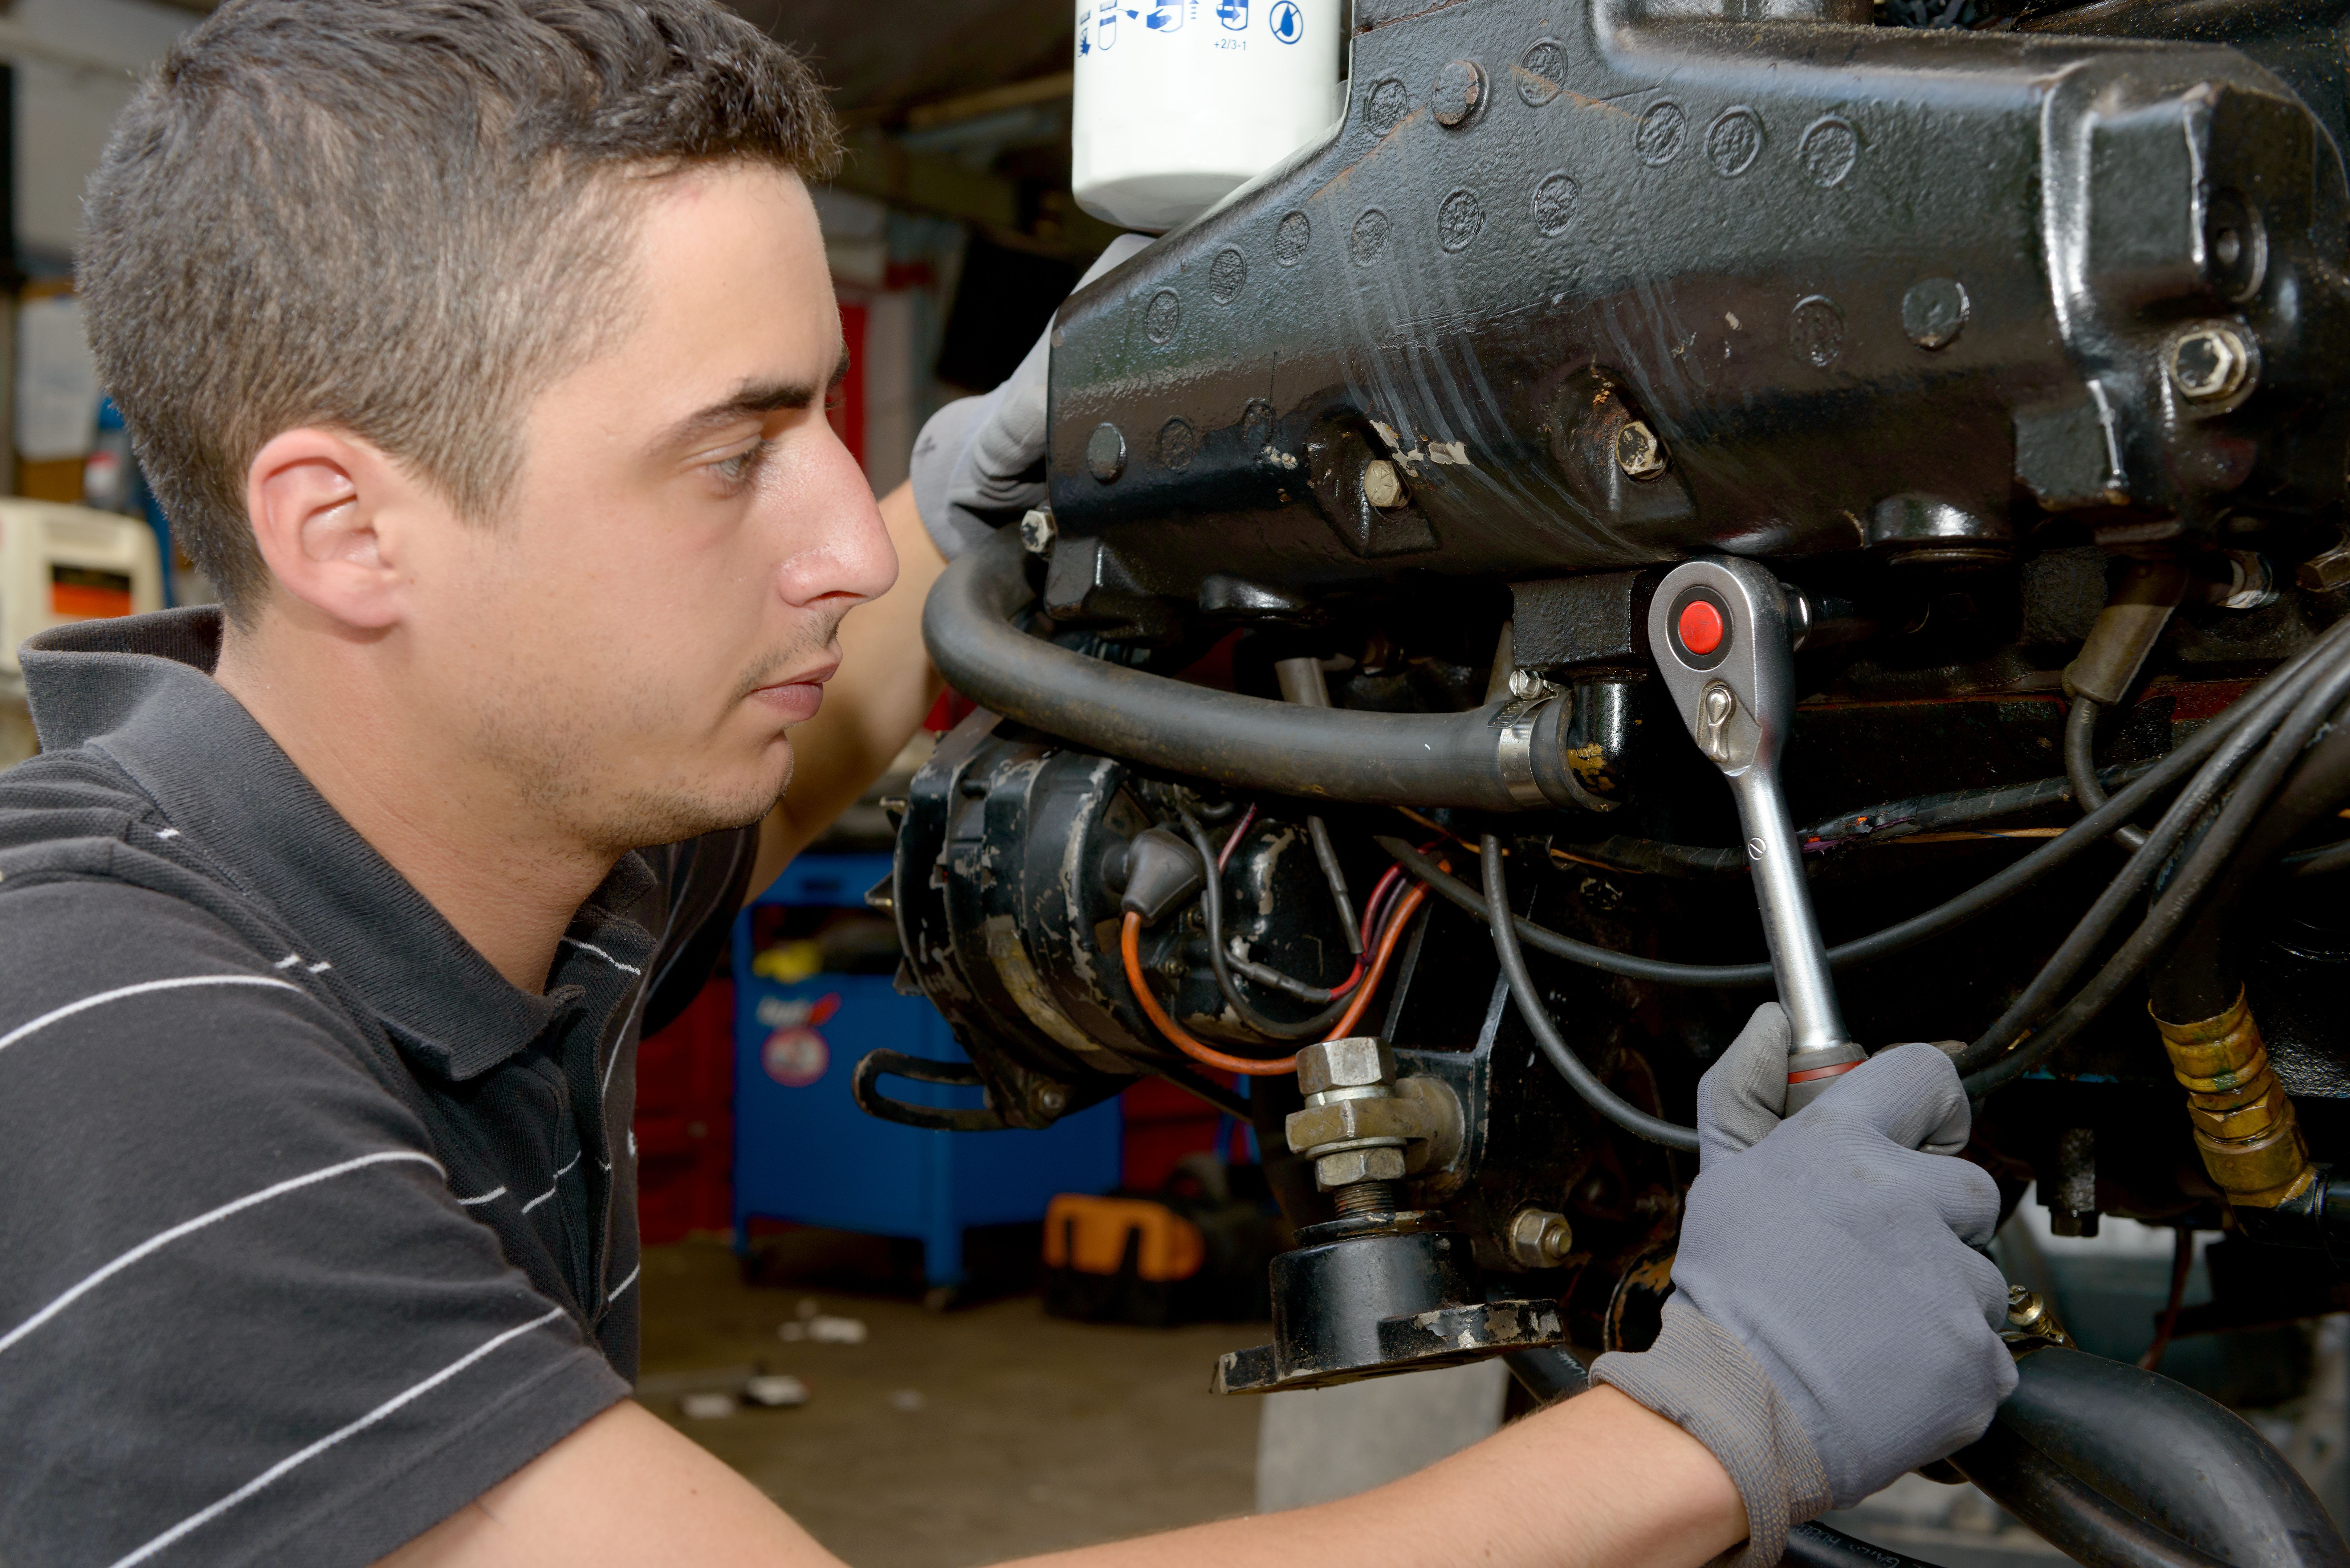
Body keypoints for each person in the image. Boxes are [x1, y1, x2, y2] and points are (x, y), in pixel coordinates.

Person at [0, 3, 2015, 1564]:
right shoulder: (109, 1047)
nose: (848, 548)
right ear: (349, 535)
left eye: (830, 431)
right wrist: (1723, 1420)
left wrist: (1009, 481)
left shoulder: (479, 879)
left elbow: (849, 699)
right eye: (733, 453)